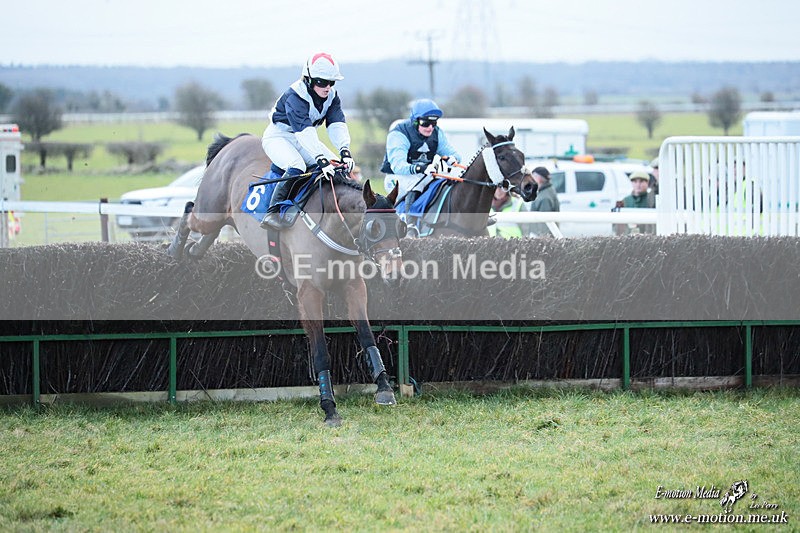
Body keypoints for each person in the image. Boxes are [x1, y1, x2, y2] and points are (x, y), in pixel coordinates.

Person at [260, 52, 355, 229]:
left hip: (304, 137)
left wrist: (345, 152)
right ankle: (272, 212)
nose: (327, 87)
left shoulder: (332, 96)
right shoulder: (296, 96)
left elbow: (336, 124)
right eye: (322, 82)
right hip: (279, 136)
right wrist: (321, 160)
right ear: (308, 79)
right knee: (297, 166)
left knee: (336, 167)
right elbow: (304, 131)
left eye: (331, 82)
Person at [381, 99, 461, 236]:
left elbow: (452, 153)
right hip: (396, 177)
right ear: (416, 121)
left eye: (434, 123)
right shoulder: (399, 133)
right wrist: (420, 169)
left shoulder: (436, 133)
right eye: (426, 123)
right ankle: (410, 225)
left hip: (423, 174)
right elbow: (398, 166)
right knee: (414, 183)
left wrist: (453, 159)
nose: (430, 127)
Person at [524, 166, 560, 237]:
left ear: (539, 179)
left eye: (532, 176)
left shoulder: (545, 197)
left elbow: (545, 224)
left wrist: (542, 241)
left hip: (543, 239)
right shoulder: (546, 191)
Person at [616, 170, 656, 234]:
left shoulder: (652, 199)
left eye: (641, 181)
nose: (638, 184)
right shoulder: (625, 201)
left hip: (648, 235)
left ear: (647, 183)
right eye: (635, 181)